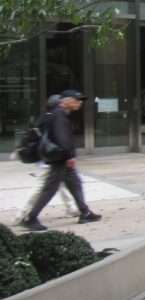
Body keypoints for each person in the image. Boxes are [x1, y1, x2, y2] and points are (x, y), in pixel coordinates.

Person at [20, 90, 102, 232]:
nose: (80, 102)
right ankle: (30, 218)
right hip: (61, 158)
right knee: (50, 188)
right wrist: (69, 156)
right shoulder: (59, 115)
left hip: (60, 157)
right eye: (77, 99)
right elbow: (62, 139)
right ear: (66, 101)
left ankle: (85, 212)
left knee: (74, 183)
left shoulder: (56, 113)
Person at [11, 95, 77, 224]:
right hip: (49, 158)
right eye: (62, 103)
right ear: (58, 105)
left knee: (59, 183)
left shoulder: (45, 116)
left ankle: (71, 208)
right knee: (41, 186)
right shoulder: (54, 118)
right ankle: (21, 214)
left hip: (48, 158)